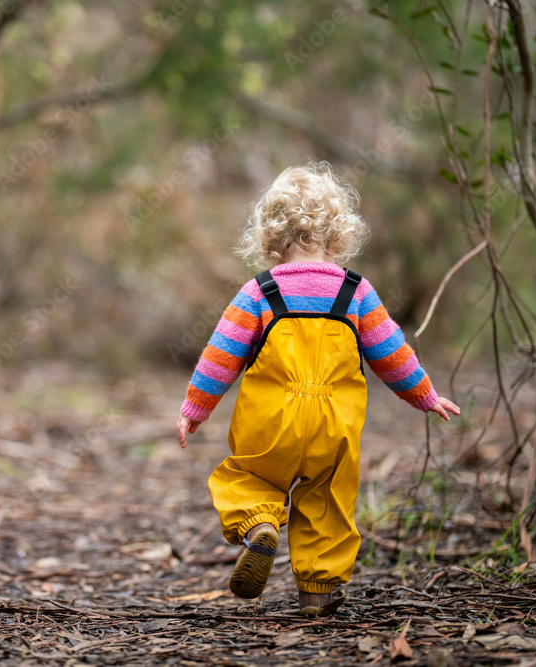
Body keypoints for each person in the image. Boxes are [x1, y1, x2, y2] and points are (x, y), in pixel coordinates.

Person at [174, 162, 460, 616]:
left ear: (269, 236)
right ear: (338, 233)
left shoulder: (258, 292)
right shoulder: (356, 293)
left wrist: (195, 408)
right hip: (335, 428)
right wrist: (424, 394)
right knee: (328, 504)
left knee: (247, 478)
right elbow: (391, 352)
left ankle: (260, 525)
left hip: (270, 424)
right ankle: (316, 595)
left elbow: (220, 355)